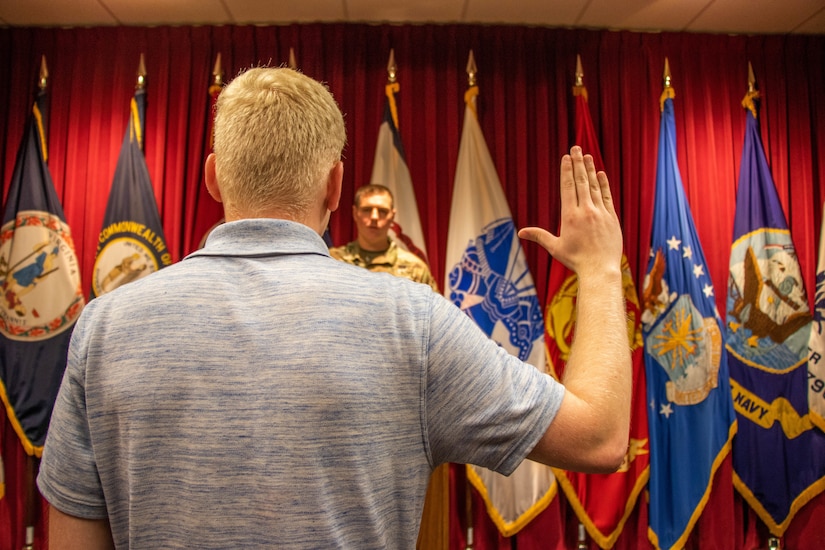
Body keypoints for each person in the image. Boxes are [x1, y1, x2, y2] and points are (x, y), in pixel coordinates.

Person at [37, 67, 631, 550]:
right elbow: (600, 439)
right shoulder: (412, 323)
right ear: (336, 185)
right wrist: (601, 269)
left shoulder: (105, 326)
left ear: (214, 177)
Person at [329, 183, 438, 292]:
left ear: (392, 216)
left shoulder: (415, 268)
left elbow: (434, 308)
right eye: (367, 210)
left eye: (382, 211)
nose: (374, 217)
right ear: (355, 213)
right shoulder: (332, 260)